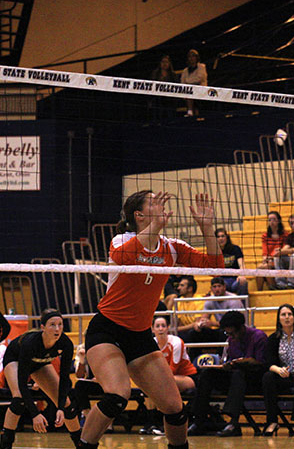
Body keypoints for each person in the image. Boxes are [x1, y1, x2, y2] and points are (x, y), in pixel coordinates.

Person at [77, 191, 223, 449]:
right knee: (117, 397)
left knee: (174, 408)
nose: (161, 204)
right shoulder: (122, 240)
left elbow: (214, 266)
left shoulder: (171, 248)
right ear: (139, 215)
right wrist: (154, 228)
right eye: (153, 201)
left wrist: (207, 228)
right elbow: (124, 258)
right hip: (107, 331)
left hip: (140, 335)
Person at [0, 309, 81, 449]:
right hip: (15, 359)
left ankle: (82, 444)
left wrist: (60, 408)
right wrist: (35, 414)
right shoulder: (30, 343)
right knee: (19, 399)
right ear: (43, 327)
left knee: (67, 405)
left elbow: (64, 380)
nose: (57, 329)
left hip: (40, 363)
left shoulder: (65, 343)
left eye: (60, 324)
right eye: (52, 325)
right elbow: (22, 383)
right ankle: (5, 445)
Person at [188, 311, 267, 437]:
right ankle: (199, 420)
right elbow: (229, 360)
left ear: (241, 328)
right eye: (227, 333)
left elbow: (262, 364)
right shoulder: (231, 340)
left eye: (232, 333)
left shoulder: (259, 337)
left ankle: (234, 422)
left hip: (254, 380)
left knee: (239, 374)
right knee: (207, 374)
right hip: (235, 381)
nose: (230, 336)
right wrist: (226, 366)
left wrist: (244, 362)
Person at [141, 316, 197, 436]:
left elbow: (173, 369)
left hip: (186, 377)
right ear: (152, 329)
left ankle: (161, 423)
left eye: (163, 326)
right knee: (151, 384)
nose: (161, 329)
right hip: (163, 379)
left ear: (168, 328)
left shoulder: (176, 342)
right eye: (158, 326)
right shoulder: (152, 344)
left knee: (158, 383)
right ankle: (152, 423)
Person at [262, 304, 294, 436]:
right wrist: (278, 370)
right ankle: (272, 421)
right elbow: (269, 362)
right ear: (279, 319)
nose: (287, 317)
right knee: (267, 377)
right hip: (282, 374)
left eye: (290, 314)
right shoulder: (273, 338)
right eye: (283, 315)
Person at [256, 211, 288, 291]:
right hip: (269, 261)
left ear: (279, 221)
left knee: (262, 268)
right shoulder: (265, 236)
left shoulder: (285, 235)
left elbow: (283, 250)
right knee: (262, 267)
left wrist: (271, 258)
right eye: (269, 220)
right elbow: (265, 252)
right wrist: (265, 258)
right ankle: (264, 290)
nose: (271, 222)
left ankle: (271, 288)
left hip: (280, 261)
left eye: (274, 219)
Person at [216, 228, 249, 295]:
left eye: (222, 236)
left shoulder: (235, 249)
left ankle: (243, 305)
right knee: (218, 286)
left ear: (226, 237)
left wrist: (242, 275)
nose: (220, 238)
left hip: (235, 279)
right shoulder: (214, 252)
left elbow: (241, 264)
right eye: (218, 237)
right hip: (223, 281)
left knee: (243, 282)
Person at [180, 49, 208, 117]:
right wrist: (188, 83)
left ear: (196, 57)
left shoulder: (201, 67)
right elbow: (183, 82)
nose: (191, 58)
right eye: (190, 56)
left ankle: (190, 111)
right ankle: (190, 111)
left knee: (191, 92)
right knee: (189, 92)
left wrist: (188, 82)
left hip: (200, 89)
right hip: (188, 91)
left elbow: (199, 78)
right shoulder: (185, 71)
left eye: (193, 56)